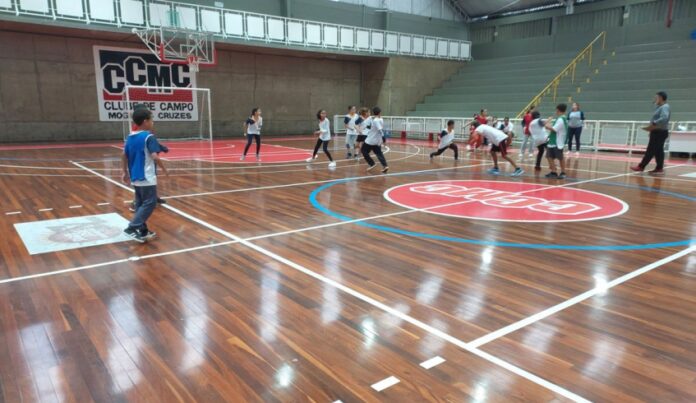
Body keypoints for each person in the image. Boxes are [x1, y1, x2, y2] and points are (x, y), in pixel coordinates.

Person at [121, 108, 168, 243]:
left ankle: (143, 231)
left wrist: (124, 171)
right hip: (147, 176)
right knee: (150, 202)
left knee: (141, 204)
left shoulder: (130, 137)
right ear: (146, 121)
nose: (153, 122)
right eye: (151, 119)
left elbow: (124, 155)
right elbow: (154, 156)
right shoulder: (149, 136)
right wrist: (164, 169)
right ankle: (131, 228)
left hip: (135, 176)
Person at [631, 91, 671, 176]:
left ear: (660, 98)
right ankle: (659, 168)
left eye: (656, 97)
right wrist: (651, 130)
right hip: (657, 131)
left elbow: (664, 117)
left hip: (660, 132)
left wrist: (654, 123)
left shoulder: (665, 107)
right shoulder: (659, 107)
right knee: (658, 151)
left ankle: (641, 166)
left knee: (650, 150)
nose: (655, 99)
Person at [544, 103, 569, 179]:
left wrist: (547, 123)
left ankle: (563, 172)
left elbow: (554, 129)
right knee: (549, 156)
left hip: (557, 141)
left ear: (558, 109)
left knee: (560, 157)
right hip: (553, 140)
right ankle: (553, 171)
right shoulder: (561, 118)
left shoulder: (561, 119)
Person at [362, 106, 389, 173]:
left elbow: (380, 130)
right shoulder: (381, 119)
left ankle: (372, 163)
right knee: (379, 153)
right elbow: (376, 128)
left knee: (363, 151)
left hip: (370, 140)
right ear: (380, 112)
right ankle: (385, 166)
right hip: (377, 141)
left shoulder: (375, 120)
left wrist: (384, 140)